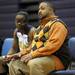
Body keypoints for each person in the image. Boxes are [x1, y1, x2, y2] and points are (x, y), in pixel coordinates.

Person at [8, 1, 70, 75]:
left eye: (43, 8)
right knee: (14, 63)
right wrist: (20, 53)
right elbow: (33, 46)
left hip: (57, 59)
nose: (39, 11)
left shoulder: (58, 25)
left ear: (51, 10)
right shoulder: (39, 28)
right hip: (40, 57)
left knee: (34, 64)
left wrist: (32, 55)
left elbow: (52, 46)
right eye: (39, 9)